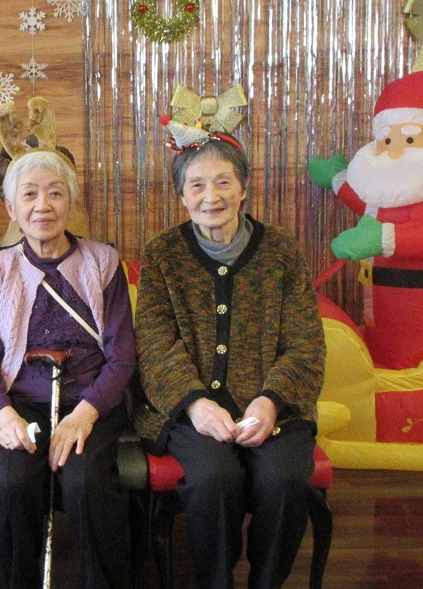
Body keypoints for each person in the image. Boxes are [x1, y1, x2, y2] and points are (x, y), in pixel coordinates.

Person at [133, 133, 326, 589]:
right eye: (197, 185)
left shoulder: (280, 250)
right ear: (182, 196)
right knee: (213, 479)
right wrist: (196, 403)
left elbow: (306, 343)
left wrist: (270, 400)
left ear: (243, 188)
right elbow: (154, 343)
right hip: (190, 409)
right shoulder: (163, 253)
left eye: (223, 182)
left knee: (284, 480)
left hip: (274, 408)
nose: (211, 196)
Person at [0, 145, 136, 589]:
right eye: (29, 194)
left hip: (90, 404)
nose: (42, 205)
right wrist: (3, 416)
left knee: (86, 484)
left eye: (55, 193)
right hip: (20, 405)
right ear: (11, 208)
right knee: (14, 485)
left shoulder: (103, 263)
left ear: (71, 202)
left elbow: (121, 354)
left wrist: (85, 414)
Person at [309, 69, 423, 368]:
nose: (397, 150)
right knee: (385, 347)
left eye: (410, 138)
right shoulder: (393, 188)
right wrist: (337, 179)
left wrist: (380, 238)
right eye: (387, 140)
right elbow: (368, 203)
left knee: (419, 357)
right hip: (384, 300)